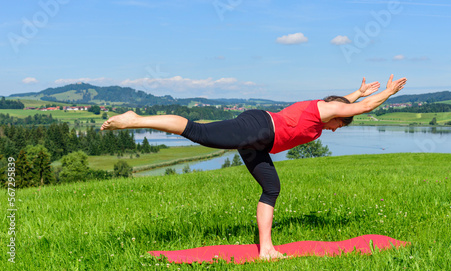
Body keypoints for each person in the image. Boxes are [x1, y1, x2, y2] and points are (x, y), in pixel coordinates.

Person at [101, 74, 407, 259]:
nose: (338, 128)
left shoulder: (327, 111)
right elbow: (358, 108)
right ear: (338, 115)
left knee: (271, 187)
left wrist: (358, 92)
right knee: (200, 132)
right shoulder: (327, 110)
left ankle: (266, 249)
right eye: (342, 124)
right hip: (259, 128)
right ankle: (136, 119)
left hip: (260, 141)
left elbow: (347, 103)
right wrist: (387, 93)